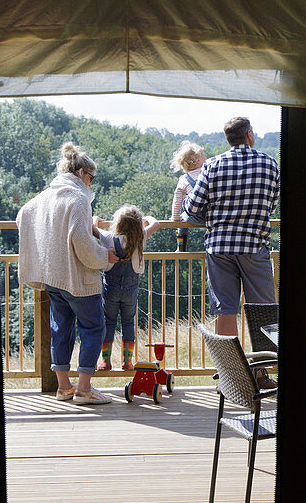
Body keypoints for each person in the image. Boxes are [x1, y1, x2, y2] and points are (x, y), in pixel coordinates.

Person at [16, 142, 119, 405]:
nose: (91, 184)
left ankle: (63, 387)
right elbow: (83, 245)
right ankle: (84, 388)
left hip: (53, 276)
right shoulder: (78, 198)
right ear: (82, 173)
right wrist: (104, 258)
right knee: (94, 328)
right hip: (78, 279)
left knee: (61, 329)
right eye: (91, 178)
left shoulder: (45, 196)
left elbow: (22, 216)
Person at [183, 117, 279, 388]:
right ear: (249, 135)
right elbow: (271, 204)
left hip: (220, 248)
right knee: (262, 311)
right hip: (255, 246)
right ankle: (261, 375)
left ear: (229, 138)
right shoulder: (269, 163)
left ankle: (230, 378)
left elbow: (192, 209)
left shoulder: (212, 165)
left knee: (225, 312)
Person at [94, 205, 160, 371]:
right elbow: (156, 223)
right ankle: (127, 361)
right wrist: (146, 220)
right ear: (137, 225)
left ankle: (105, 362)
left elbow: (92, 228)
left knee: (108, 322)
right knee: (128, 322)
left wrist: (96, 219)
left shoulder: (109, 238)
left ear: (117, 223)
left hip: (111, 290)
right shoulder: (140, 237)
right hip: (130, 290)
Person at [169, 141, 205, 251]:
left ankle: (181, 246)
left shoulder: (184, 179)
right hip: (212, 216)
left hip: (195, 217)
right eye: (205, 156)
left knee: (183, 219)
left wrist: (175, 218)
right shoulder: (208, 174)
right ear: (198, 160)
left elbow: (177, 199)